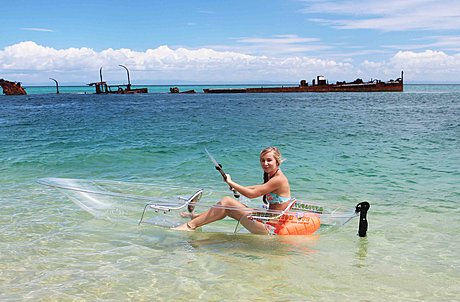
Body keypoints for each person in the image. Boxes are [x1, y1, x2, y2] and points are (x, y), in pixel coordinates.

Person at [173, 146, 291, 234]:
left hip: (271, 228)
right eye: (262, 160)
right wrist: (236, 186)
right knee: (228, 207)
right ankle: (196, 217)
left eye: (269, 160)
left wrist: (231, 182)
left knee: (227, 202)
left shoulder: (279, 179)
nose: (265, 163)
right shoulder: (272, 176)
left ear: (277, 161)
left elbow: (252, 194)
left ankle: (190, 226)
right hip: (270, 221)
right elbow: (258, 188)